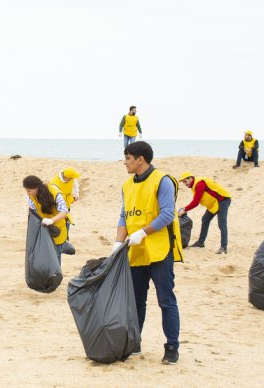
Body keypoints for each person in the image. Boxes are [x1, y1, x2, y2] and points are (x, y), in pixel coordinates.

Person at [113, 141, 181, 364]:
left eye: (128, 158)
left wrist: (143, 232)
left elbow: (168, 214)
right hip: (136, 252)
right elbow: (124, 215)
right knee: (136, 302)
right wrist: (117, 243)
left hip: (159, 251)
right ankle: (135, 342)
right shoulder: (127, 185)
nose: (125, 162)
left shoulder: (162, 180)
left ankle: (172, 347)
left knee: (166, 300)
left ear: (140, 159)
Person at [178, 172, 232, 254]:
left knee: (222, 224)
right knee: (205, 219)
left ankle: (223, 247)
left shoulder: (199, 184)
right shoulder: (194, 185)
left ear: (190, 178)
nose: (185, 184)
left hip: (223, 200)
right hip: (214, 203)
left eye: (185, 181)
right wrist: (185, 208)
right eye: (183, 182)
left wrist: (185, 209)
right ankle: (200, 242)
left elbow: (196, 202)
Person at [23, 175, 69, 263]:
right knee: (46, 255)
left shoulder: (55, 192)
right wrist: (31, 212)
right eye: (26, 191)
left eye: (29, 190)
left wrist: (51, 221)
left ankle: (64, 246)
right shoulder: (31, 196)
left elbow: (64, 212)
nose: (28, 193)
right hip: (45, 228)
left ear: (36, 188)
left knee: (56, 255)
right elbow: (34, 209)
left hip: (57, 229)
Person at [50, 167, 81, 254]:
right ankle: (58, 244)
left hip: (67, 204)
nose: (72, 179)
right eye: (71, 178)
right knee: (60, 224)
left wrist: (76, 194)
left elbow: (75, 185)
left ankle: (64, 242)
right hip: (58, 207)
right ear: (66, 177)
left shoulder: (71, 179)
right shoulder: (55, 183)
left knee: (67, 223)